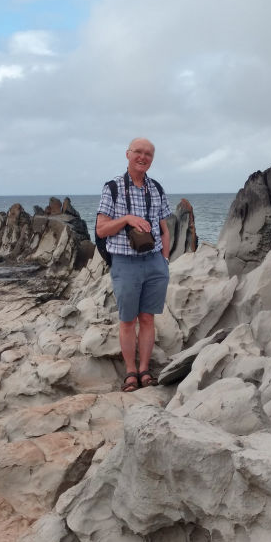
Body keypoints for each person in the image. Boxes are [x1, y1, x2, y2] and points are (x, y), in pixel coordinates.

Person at [95, 137, 172, 392]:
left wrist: (165, 259)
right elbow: (101, 229)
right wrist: (127, 218)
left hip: (154, 261)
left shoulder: (157, 189)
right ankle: (130, 372)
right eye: (138, 152)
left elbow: (164, 228)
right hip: (125, 262)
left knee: (148, 318)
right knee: (128, 320)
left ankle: (144, 369)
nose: (143, 157)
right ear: (127, 154)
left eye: (148, 154)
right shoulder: (113, 188)